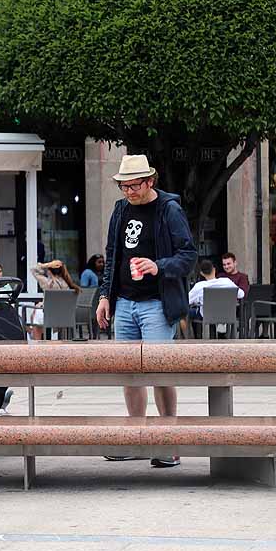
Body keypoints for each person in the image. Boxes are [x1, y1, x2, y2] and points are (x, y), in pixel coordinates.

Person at [95, 155, 196, 468]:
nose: (128, 191)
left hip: (156, 303)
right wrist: (104, 296)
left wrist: (159, 265)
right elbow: (112, 255)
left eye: (134, 185)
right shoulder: (121, 209)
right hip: (124, 302)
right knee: (130, 374)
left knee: (160, 372)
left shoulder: (169, 209)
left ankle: (169, 442)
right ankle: (137, 437)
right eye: (124, 186)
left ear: (150, 181)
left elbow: (189, 255)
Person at [29, 259, 79, 340]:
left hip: (49, 316)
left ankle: (36, 341)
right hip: (65, 316)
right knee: (38, 311)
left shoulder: (47, 282)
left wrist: (46, 265)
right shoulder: (67, 283)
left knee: (37, 312)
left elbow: (33, 269)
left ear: (49, 271)